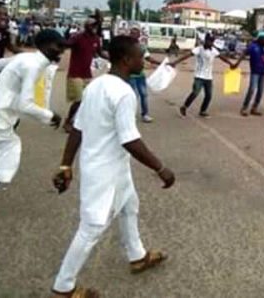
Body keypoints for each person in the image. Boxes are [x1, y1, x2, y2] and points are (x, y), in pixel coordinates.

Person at [51, 35, 176, 298]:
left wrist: (66, 165)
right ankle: (64, 286)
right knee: (92, 227)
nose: (144, 60)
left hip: (115, 168)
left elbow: (78, 128)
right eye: (141, 56)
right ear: (126, 60)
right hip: (103, 171)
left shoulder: (97, 85)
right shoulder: (123, 93)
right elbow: (130, 140)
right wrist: (160, 168)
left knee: (130, 206)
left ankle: (137, 256)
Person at [0, 30, 64, 218]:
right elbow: (25, 104)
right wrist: (50, 115)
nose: (61, 51)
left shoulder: (26, 58)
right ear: (45, 44)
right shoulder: (33, 65)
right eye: (58, 46)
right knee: (4, 166)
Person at [63, 18, 108, 133]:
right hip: (75, 73)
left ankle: (80, 121)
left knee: (87, 99)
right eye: (92, 25)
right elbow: (67, 44)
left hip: (87, 74)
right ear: (87, 26)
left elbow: (99, 52)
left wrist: (112, 57)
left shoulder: (96, 39)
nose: (94, 28)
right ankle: (68, 121)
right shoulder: (78, 37)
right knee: (78, 100)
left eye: (96, 26)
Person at [178, 34, 236, 118]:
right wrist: (175, 62)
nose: (210, 43)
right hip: (199, 76)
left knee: (209, 95)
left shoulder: (213, 50)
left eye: (212, 41)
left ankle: (203, 111)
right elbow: (187, 56)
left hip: (208, 77)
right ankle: (184, 107)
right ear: (205, 40)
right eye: (209, 40)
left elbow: (222, 57)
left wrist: (231, 64)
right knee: (195, 93)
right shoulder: (199, 49)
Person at [129, 26, 161, 123]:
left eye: (136, 34)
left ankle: (145, 114)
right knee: (134, 95)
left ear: (139, 35)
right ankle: (130, 115)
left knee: (144, 94)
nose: (133, 35)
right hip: (130, 75)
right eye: (132, 33)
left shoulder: (142, 47)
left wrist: (161, 63)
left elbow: (149, 58)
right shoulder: (125, 46)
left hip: (140, 75)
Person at [235, 31, 264, 116]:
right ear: (260, 39)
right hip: (255, 72)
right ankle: (244, 108)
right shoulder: (253, 46)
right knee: (252, 90)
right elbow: (244, 54)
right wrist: (237, 63)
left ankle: (254, 108)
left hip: (263, 72)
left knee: (260, 91)